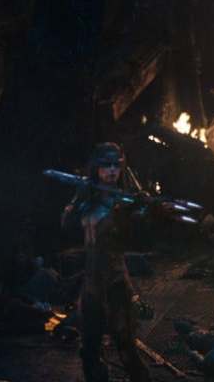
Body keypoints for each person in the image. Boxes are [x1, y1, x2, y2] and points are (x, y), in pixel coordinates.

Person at [60, 142, 150, 382]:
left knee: (126, 346)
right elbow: (67, 225)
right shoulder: (86, 196)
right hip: (92, 284)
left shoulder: (126, 201)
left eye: (116, 165)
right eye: (106, 165)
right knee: (90, 350)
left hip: (116, 281)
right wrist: (79, 202)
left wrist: (139, 210)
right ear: (96, 168)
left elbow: (139, 236)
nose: (111, 170)